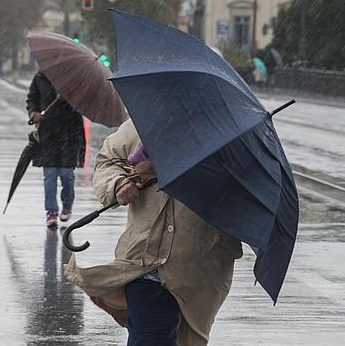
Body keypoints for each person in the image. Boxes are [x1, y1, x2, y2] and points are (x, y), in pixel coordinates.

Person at [64, 119, 243, 346]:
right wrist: (119, 183)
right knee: (150, 337)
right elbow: (107, 162)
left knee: (186, 341)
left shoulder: (229, 134)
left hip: (200, 269)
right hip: (143, 263)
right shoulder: (144, 123)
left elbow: (245, 197)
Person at [26, 71, 85, 229]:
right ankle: (51, 212)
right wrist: (34, 112)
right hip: (48, 134)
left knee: (67, 175)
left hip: (69, 133)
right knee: (50, 174)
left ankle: (67, 204)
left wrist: (68, 97)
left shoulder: (74, 78)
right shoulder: (40, 77)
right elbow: (32, 99)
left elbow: (83, 101)